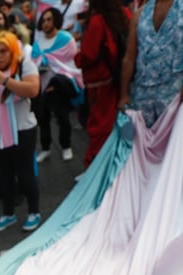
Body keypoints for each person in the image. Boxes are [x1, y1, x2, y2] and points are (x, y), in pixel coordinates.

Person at [0, 30, 43, 232]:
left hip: (22, 130)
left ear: (12, 50)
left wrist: (7, 81)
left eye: (3, 51)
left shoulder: (24, 65)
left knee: (24, 173)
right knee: (4, 175)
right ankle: (8, 214)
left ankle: (34, 211)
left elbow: (33, 90)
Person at [119, 0, 183, 126]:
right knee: (138, 136)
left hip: (173, 90)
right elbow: (129, 57)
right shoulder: (141, 13)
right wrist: (124, 94)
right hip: (141, 91)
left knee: (174, 137)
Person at [76, 0, 132, 166]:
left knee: (100, 129)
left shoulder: (97, 21)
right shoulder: (125, 14)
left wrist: (76, 56)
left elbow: (88, 55)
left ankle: (98, 169)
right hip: (122, 80)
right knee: (119, 126)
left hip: (101, 84)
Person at [31, 7, 83, 162]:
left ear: (56, 20)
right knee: (43, 119)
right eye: (43, 20)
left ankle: (66, 146)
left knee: (63, 118)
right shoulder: (38, 43)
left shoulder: (66, 39)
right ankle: (45, 148)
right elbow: (34, 61)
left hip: (60, 86)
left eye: (49, 19)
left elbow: (71, 62)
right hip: (43, 86)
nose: (46, 23)